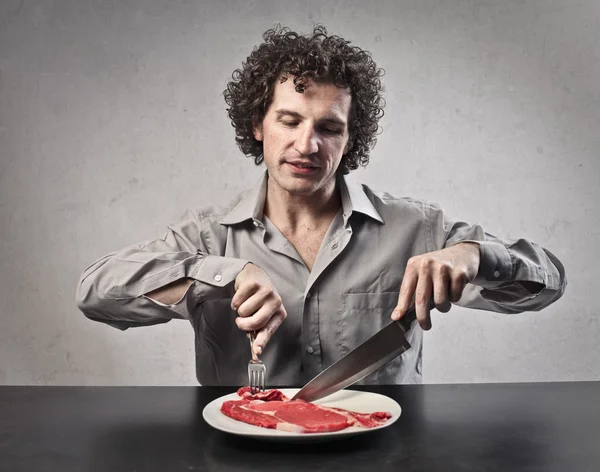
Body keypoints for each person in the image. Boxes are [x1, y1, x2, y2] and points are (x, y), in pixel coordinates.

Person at [76, 25, 567, 386]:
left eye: (329, 128)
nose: (307, 145)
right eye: (289, 121)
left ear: (350, 138)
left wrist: (474, 256)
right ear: (257, 125)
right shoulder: (208, 236)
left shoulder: (416, 228)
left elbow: (547, 283)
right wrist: (218, 275)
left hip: (385, 460)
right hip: (243, 459)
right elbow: (97, 293)